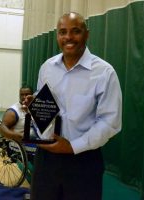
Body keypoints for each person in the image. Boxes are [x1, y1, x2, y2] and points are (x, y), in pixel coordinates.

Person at [23, 12, 122, 200]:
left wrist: (72, 147)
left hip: (83, 161)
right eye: (63, 32)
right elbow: (44, 102)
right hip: (46, 159)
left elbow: (110, 122)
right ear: (57, 36)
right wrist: (34, 105)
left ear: (87, 34)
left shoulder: (104, 72)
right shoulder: (47, 68)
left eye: (75, 31)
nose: (68, 37)